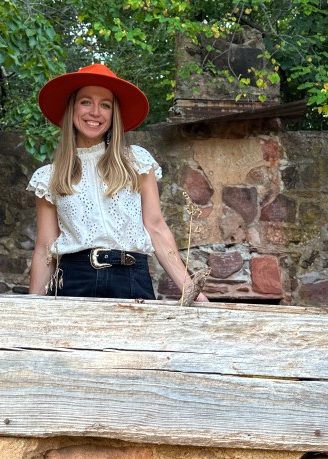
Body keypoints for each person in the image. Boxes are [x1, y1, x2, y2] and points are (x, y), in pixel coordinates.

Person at [27, 63, 209, 302]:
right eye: (85, 102)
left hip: (132, 278)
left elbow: (156, 228)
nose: (95, 112)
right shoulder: (49, 177)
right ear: (71, 109)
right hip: (73, 280)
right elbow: (45, 249)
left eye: (105, 105)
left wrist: (192, 291)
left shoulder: (136, 162)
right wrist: (32, 305)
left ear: (113, 115)